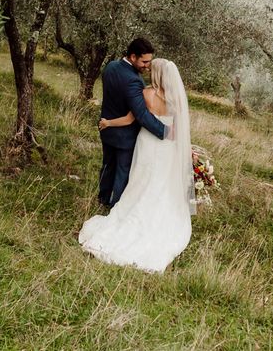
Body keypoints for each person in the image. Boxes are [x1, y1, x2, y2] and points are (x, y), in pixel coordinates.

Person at [78, 58, 195, 273]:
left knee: (141, 181)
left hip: (148, 145)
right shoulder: (177, 99)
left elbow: (131, 119)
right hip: (168, 148)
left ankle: (131, 212)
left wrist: (108, 122)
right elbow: (180, 131)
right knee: (161, 184)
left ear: (156, 75)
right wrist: (187, 151)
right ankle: (157, 218)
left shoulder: (147, 94)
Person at [96, 38, 169, 208]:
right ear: (133, 56)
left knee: (108, 165)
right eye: (144, 61)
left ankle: (103, 199)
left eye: (149, 62)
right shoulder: (134, 81)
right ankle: (116, 208)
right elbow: (141, 114)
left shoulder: (111, 66)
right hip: (125, 135)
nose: (147, 66)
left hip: (107, 127)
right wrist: (165, 131)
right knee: (123, 172)